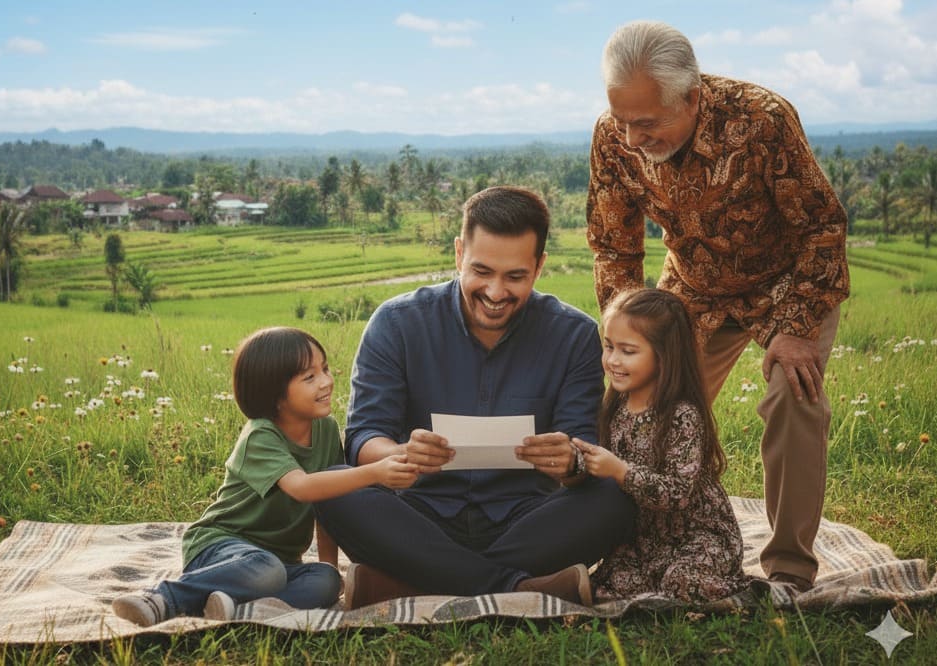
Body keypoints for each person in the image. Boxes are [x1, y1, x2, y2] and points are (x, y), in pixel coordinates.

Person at [587, 20, 849, 592]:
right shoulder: (613, 135)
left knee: (794, 396)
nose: (631, 138)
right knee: (646, 403)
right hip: (694, 286)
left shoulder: (763, 118)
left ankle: (789, 569)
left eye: (647, 123)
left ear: (693, 98)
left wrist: (797, 327)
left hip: (787, 282)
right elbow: (613, 246)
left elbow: (822, 226)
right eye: (622, 120)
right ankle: (650, 548)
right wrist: (626, 334)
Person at [315, 186, 637, 609]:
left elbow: (584, 452)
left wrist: (571, 460)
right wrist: (401, 454)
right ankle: (517, 587)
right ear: (458, 254)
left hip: (526, 520)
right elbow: (363, 438)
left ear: (539, 266)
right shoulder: (396, 323)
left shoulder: (573, 334)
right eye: (481, 271)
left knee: (616, 495)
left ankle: (412, 583)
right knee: (333, 489)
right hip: (418, 516)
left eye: (515, 277)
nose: (495, 292)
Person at [112, 327, 418, 626]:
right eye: (309, 377)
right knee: (266, 570)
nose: (326, 381)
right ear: (275, 395)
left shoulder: (326, 430)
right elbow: (302, 487)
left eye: (325, 369)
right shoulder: (261, 436)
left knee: (326, 582)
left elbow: (328, 504)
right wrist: (374, 472)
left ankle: (238, 609)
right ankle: (164, 597)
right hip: (222, 547)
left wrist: (328, 566)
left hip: (280, 563)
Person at [574, 289, 750, 601]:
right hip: (646, 539)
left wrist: (621, 471)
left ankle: (746, 592)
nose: (613, 360)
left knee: (681, 581)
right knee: (610, 585)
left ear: (664, 355)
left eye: (628, 351)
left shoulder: (682, 416)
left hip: (697, 536)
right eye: (609, 346)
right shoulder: (613, 408)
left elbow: (678, 493)